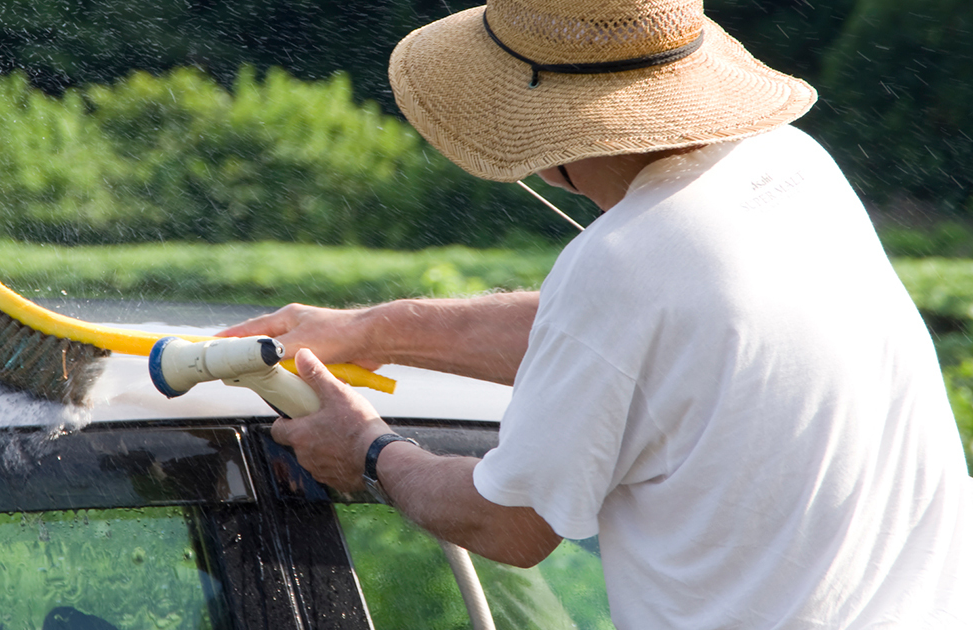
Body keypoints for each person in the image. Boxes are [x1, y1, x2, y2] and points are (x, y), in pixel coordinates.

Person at [221, 0, 973, 626]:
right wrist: (372, 330)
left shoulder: (625, 265)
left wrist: (366, 450)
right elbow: (623, 341)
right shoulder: (794, 166)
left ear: (545, 134)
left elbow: (506, 524)